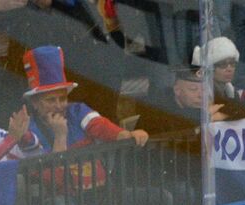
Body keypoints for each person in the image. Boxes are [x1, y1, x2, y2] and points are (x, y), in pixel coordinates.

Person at [19, 46, 149, 155]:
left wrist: (128, 135)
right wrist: (60, 136)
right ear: (35, 103)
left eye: (63, 98)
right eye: (51, 100)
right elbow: (52, 176)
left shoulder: (77, 111)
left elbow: (100, 126)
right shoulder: (29, 132)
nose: (59, 106)